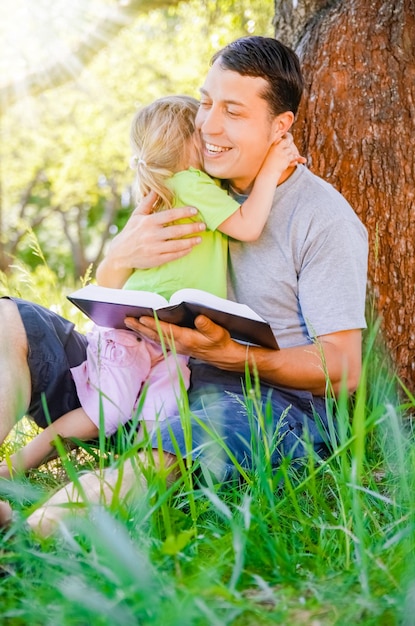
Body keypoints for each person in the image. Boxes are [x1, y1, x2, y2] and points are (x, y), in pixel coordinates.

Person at [0, 36, 368, 534]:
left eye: (233, 111)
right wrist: (118, 257)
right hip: (145, 370)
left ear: (280, 127)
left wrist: (234, 357)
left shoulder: (320, 217)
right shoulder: (186, 178)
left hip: (255, 396)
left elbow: (343, 369)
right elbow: (116, 291)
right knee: (7, 318)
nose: (209, 123)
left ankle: (23, 540)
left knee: (160, 456)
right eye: (205, 101)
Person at [0, 95, 304, 479]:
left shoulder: (186, 188)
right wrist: (272, 170)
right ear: (189, 142)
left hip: (170, 345)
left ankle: (122, 484)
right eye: (202, 131)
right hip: (136, 333)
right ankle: (12, 469)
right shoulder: (188, 183)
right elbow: (247, 224)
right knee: (105, 414)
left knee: (161, 420)